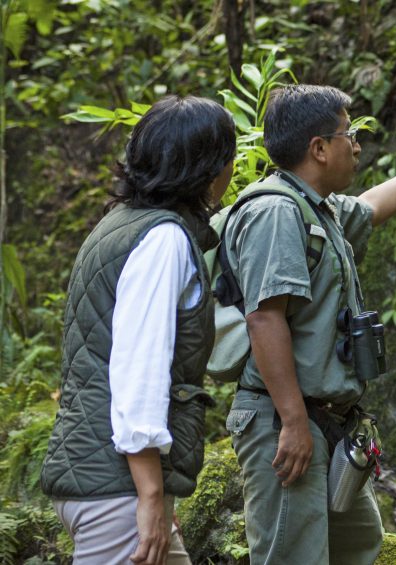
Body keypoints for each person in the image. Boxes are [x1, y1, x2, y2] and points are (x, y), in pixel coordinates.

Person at [222, 84, 396, 564]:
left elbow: (371, 208)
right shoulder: (276, 212)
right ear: (319, 148)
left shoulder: (318, 209)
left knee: (358, 550)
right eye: (348, 134)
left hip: (326, 421)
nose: (357, 145)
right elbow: (264, 319)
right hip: (285, 421)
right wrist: (291, 422)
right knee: (294, 556)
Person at [40, 95, 237, 565]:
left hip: (106, 479)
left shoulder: (118, 225)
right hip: (118, 489)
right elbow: (138, 369)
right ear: (208, 168)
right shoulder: (162, 238)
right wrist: (149, 493)